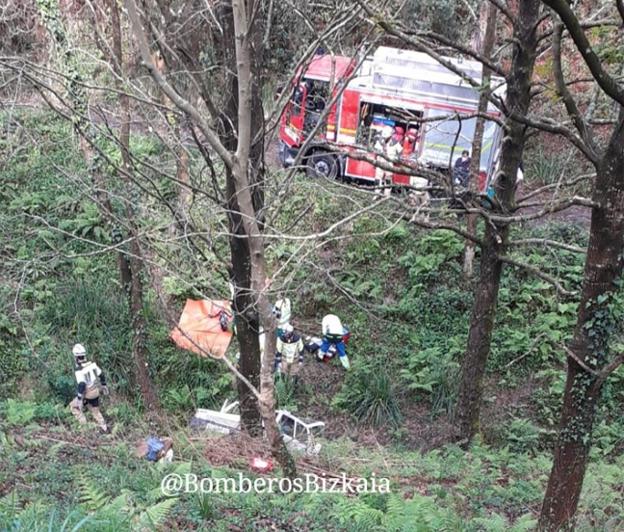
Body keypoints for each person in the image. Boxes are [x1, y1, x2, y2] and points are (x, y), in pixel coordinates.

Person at [69, 343, 109, 433]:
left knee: (74, 407)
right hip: (96, 391)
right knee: (95, 411)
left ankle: (84, 426)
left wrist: (79, 398)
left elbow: (82, 384)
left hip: (88, 393)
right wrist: (104, 385)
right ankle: (104, 428)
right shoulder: (92, 364)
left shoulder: (79, 370)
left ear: (76, 357)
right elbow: (101, 374)